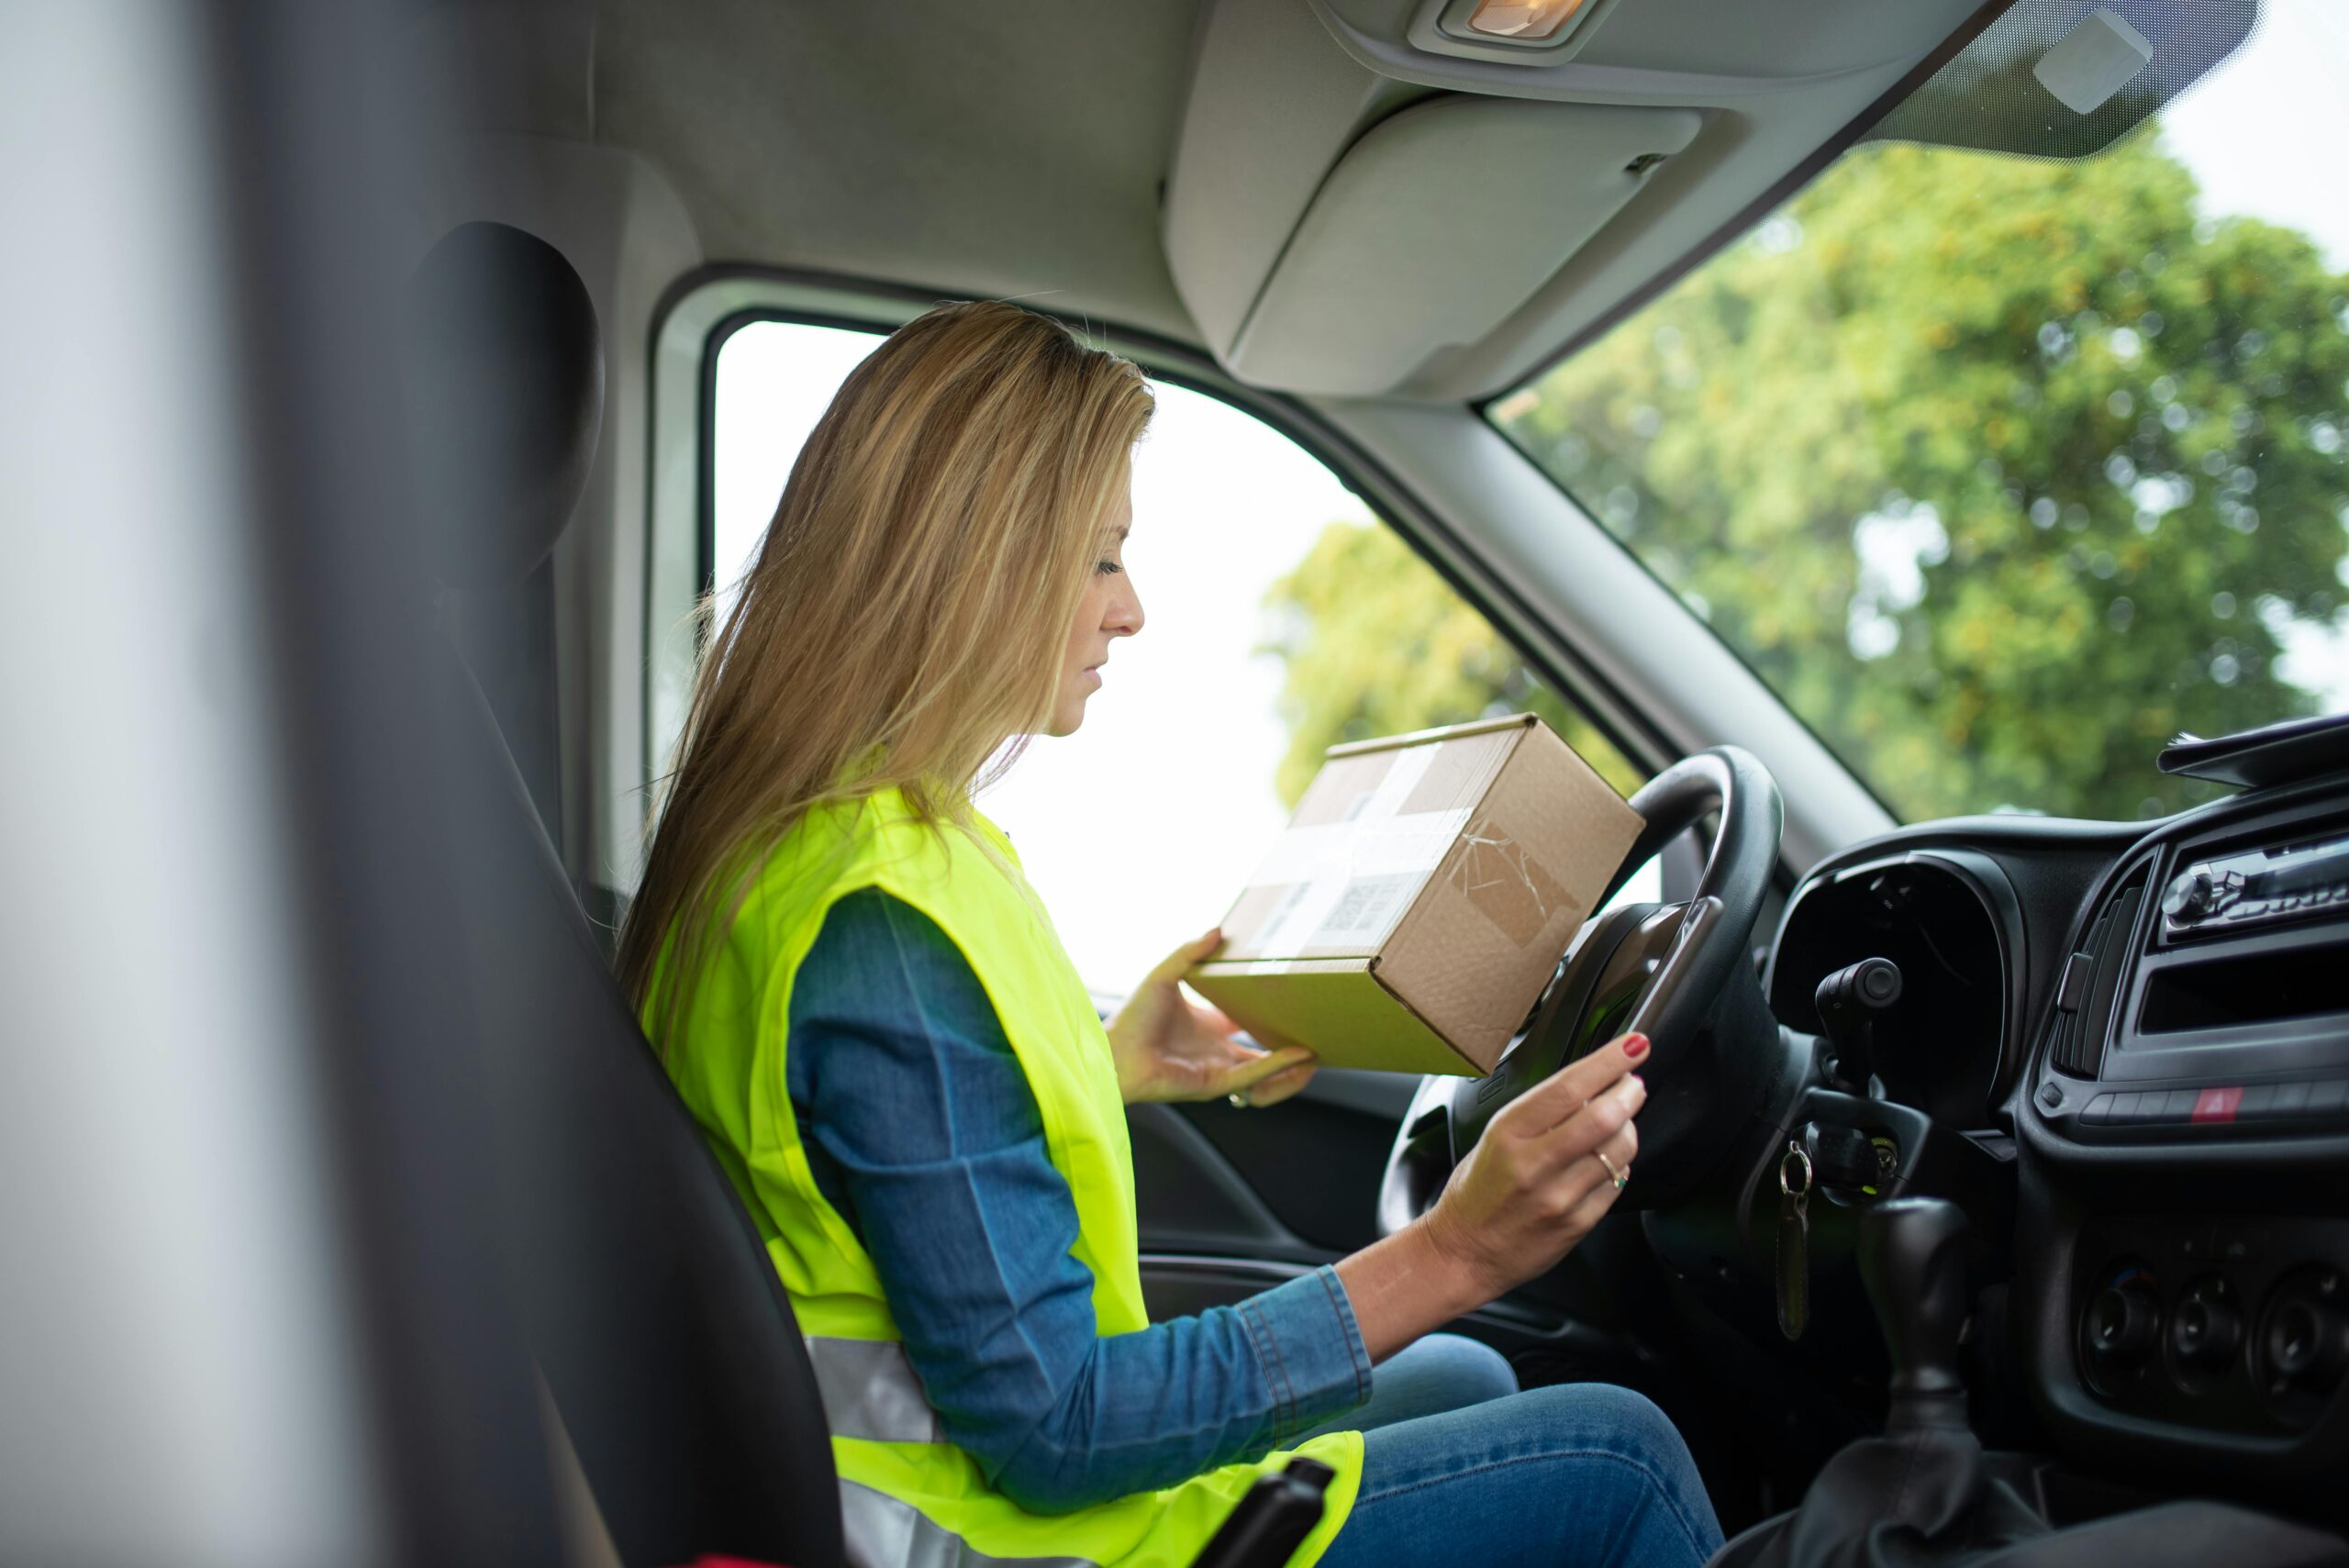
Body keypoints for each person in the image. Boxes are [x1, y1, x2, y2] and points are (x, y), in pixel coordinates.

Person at [618, 301, 1723, 1568]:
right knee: (1616, 1462)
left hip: (959, 1507)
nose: (1130, 607)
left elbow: (872, 1150)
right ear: (973, 566)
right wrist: (1456, 1247)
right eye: (1099, 558)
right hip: (995, 1541)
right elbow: (1057, 1429)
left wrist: (1103, 1058)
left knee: (1467, 1372)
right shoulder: (883, 927)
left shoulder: (807, 850)